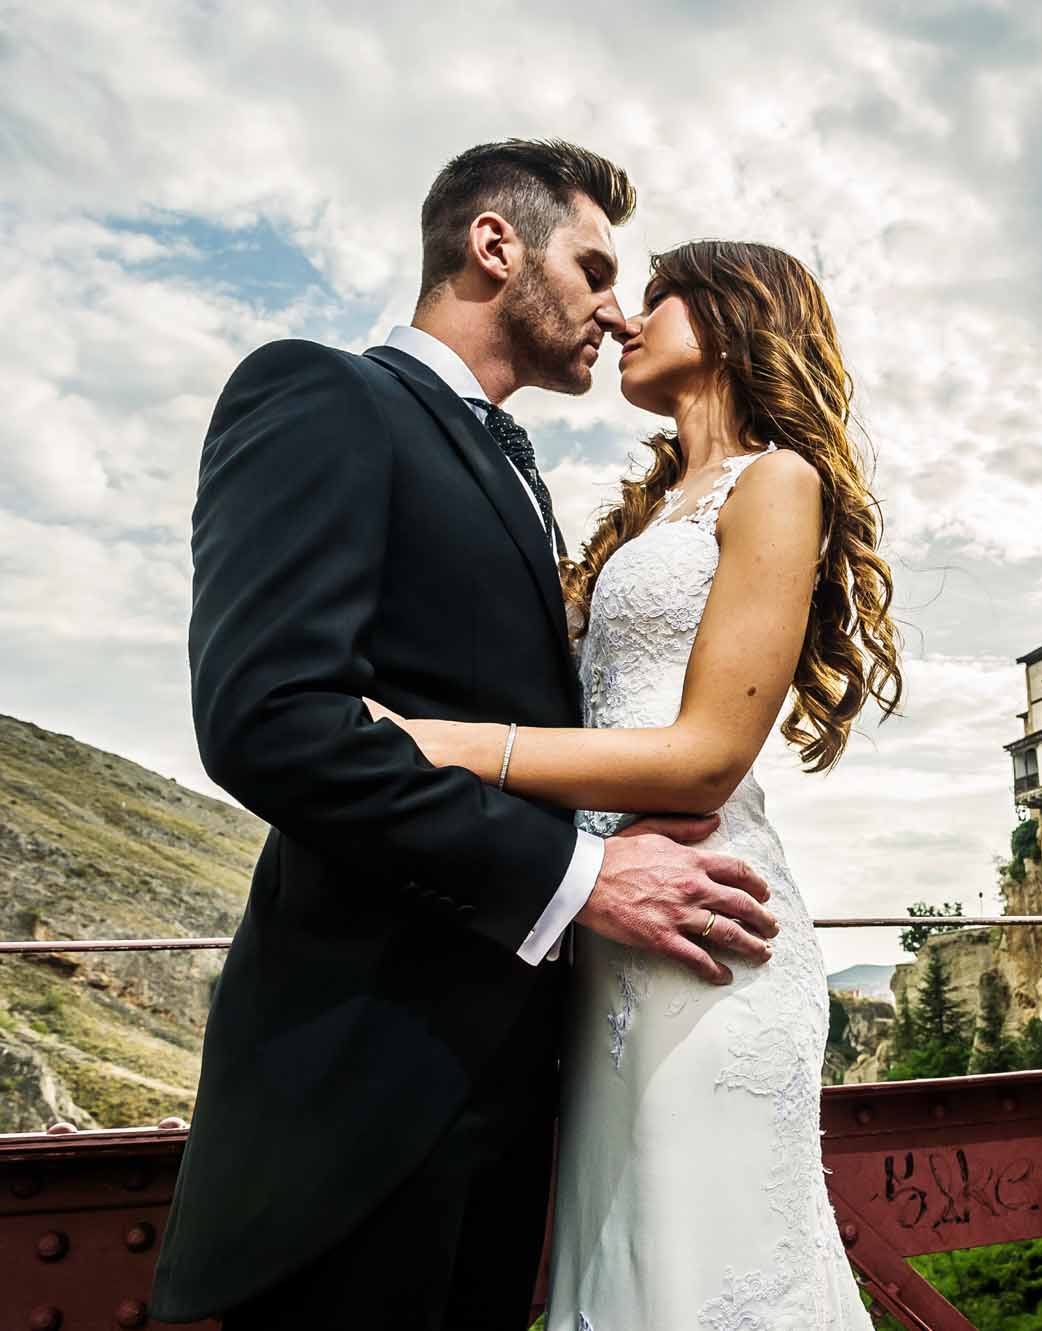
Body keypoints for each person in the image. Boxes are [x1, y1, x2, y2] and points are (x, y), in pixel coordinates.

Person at [156, 142, 781, 1329]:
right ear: (495, 246)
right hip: (361, 1096)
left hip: (515, 1091)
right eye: (594, 265)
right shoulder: (321, 393)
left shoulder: (519, 468)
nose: (617, 302)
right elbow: (270, 720)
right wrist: (583, 874)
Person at [376, 239, 900, 1327]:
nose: (623, 319)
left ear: (731, 315)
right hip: (607, 925)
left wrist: (446, 743)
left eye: (654, 297)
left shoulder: (777, 480)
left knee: (704, 1262)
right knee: (624, 1263)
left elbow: (708, 751)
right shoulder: (652, 512)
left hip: (713, 922)